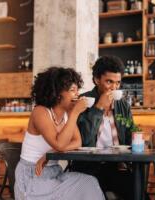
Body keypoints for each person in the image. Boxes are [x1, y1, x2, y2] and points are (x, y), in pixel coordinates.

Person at [14, 67, 105, 200]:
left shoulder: (67, 114)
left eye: (77, 90)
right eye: (72, 90)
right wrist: (75, 113)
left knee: (89, 182)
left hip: (54, 173)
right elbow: (60, 145)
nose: (77, 95)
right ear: (57, 94)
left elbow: (77, 142)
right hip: (33, 176)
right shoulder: (40, 112)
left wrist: (49, 154)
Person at [71, 55, 134, 200]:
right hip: (90, 167)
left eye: (118, 83)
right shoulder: (83, 102)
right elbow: (84, 140)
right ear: (96, 80)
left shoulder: (123, 105)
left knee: (137, 192)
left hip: (118, 166)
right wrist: (98, 108)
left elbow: (131, 135)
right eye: (109, 82)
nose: (114, 87)